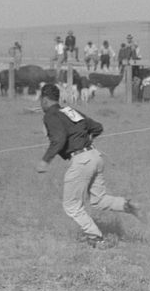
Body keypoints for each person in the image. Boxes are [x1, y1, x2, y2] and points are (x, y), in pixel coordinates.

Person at [35, 83, 143, 248]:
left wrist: (45, 160)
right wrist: (86, 139)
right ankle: (128, 205)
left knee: (71, 206)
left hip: (81, 160)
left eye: (40, 100)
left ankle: (97, 238)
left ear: (44, 99)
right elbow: (97, 127)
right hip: (95, 156)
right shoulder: (70, 111)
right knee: (99, 200)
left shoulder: (50, 115)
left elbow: (59, 139)